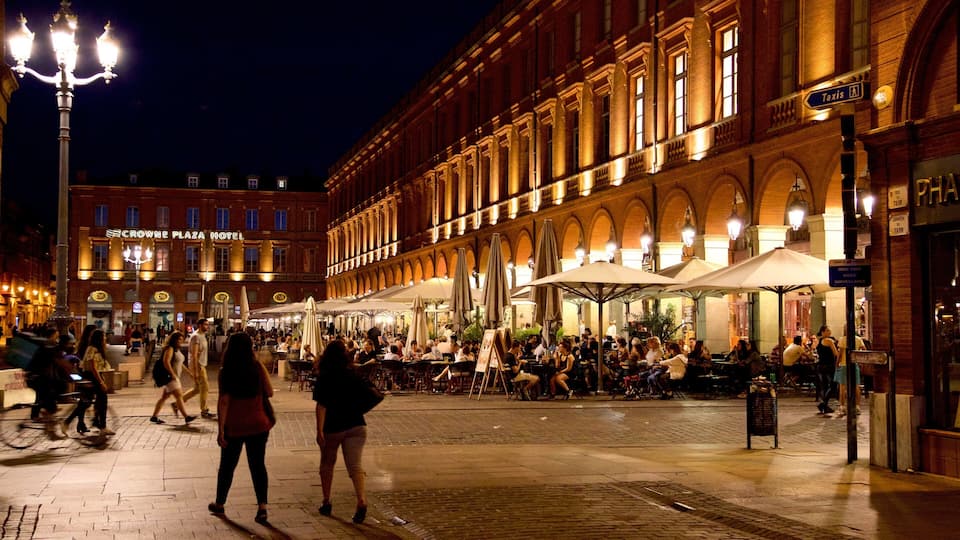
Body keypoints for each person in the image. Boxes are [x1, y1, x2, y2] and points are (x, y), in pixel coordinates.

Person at [208, 333, 275, 525]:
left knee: (227, 466)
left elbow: (224, 402)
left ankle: (220, 503)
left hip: (235, 425)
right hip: (258, 423)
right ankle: (262, 507)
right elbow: (269, 392)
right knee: (258, 465)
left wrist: (221, 430)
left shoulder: (225, 370)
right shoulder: (257, 367)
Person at [313, 340, 371, 524]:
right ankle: (361, 499)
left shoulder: (325, 376)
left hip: (333, 425)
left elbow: (321, 406)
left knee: (327, 464)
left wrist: (319, 430)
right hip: (356, 424)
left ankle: (327, 501)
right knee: (355, 466)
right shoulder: (352, 372)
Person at [150, 332, 196, 424]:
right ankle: (186, 417)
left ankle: (154, 416)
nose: (181, 341)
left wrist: (189, 372)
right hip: (171, 377)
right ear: (174, 340)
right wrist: (172, 374)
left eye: (181, 339)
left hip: (174, 376)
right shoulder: (170, 349)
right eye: (179, 339)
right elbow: (166, 362)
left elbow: (180, 363)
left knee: (164, 397)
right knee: (179, 395)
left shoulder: (176, 350)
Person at [78, 330, 113, 434]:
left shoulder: (98, 349)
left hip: (96, 375)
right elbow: (92, 367)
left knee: (95, 400)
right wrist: (101, 382)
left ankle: (96, 422)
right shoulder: (91, 349)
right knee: (101, 399)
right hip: (91, 376)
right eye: (103, 337)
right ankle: (102, 425)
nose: (105, 339)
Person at [183, 318, 215, 419]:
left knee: (197, 389)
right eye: (205, 325)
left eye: (208, 325)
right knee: (205, 387)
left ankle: (177, 403)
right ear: (200, 325)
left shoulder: (202, 335)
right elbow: (194, 355)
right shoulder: (196, 336)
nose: (207, 326)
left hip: (201, 364)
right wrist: (196, 371)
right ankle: (204, 410)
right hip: (198, 365)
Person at [835, 329, 866, 416]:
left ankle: (842, 406)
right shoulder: (858, 339)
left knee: (842, 387)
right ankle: (857, 406)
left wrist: (837, 363)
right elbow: (864, 350)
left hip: (844, 365)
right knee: (856, 386)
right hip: (855, 364)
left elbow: (840, 354)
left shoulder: (842, 339)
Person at [815, 325, 839, 415]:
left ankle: (824, 404)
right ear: (823, 332)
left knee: (824, 386)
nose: (829, 332)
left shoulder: (819, 341)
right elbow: (836, 353)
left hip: (821, 365)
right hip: (829, 365)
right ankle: (824, 404)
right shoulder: (829, 341)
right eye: (827, 330)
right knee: (833, 384)